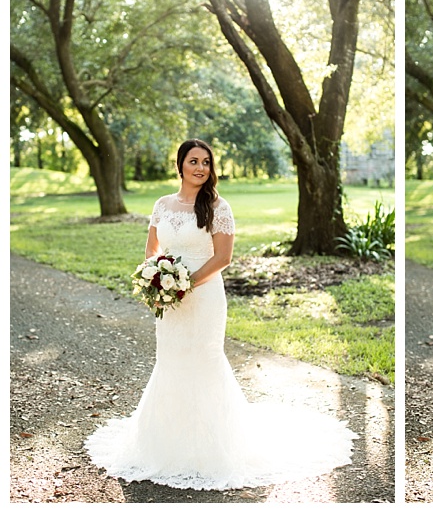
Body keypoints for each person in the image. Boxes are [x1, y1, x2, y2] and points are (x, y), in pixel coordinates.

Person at [85, 138, 357, 491]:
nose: (200, 168)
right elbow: (152, 251)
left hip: (205, 294)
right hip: (169, 300)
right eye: (194, 161)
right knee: (170, 360)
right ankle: (168, 445)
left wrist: (186, 284)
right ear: (180, 164)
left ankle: (212, 449)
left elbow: (223, 258)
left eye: (206, 162)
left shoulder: (217, 206)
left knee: (205, 359)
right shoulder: (162, 205)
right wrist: (159, 281)